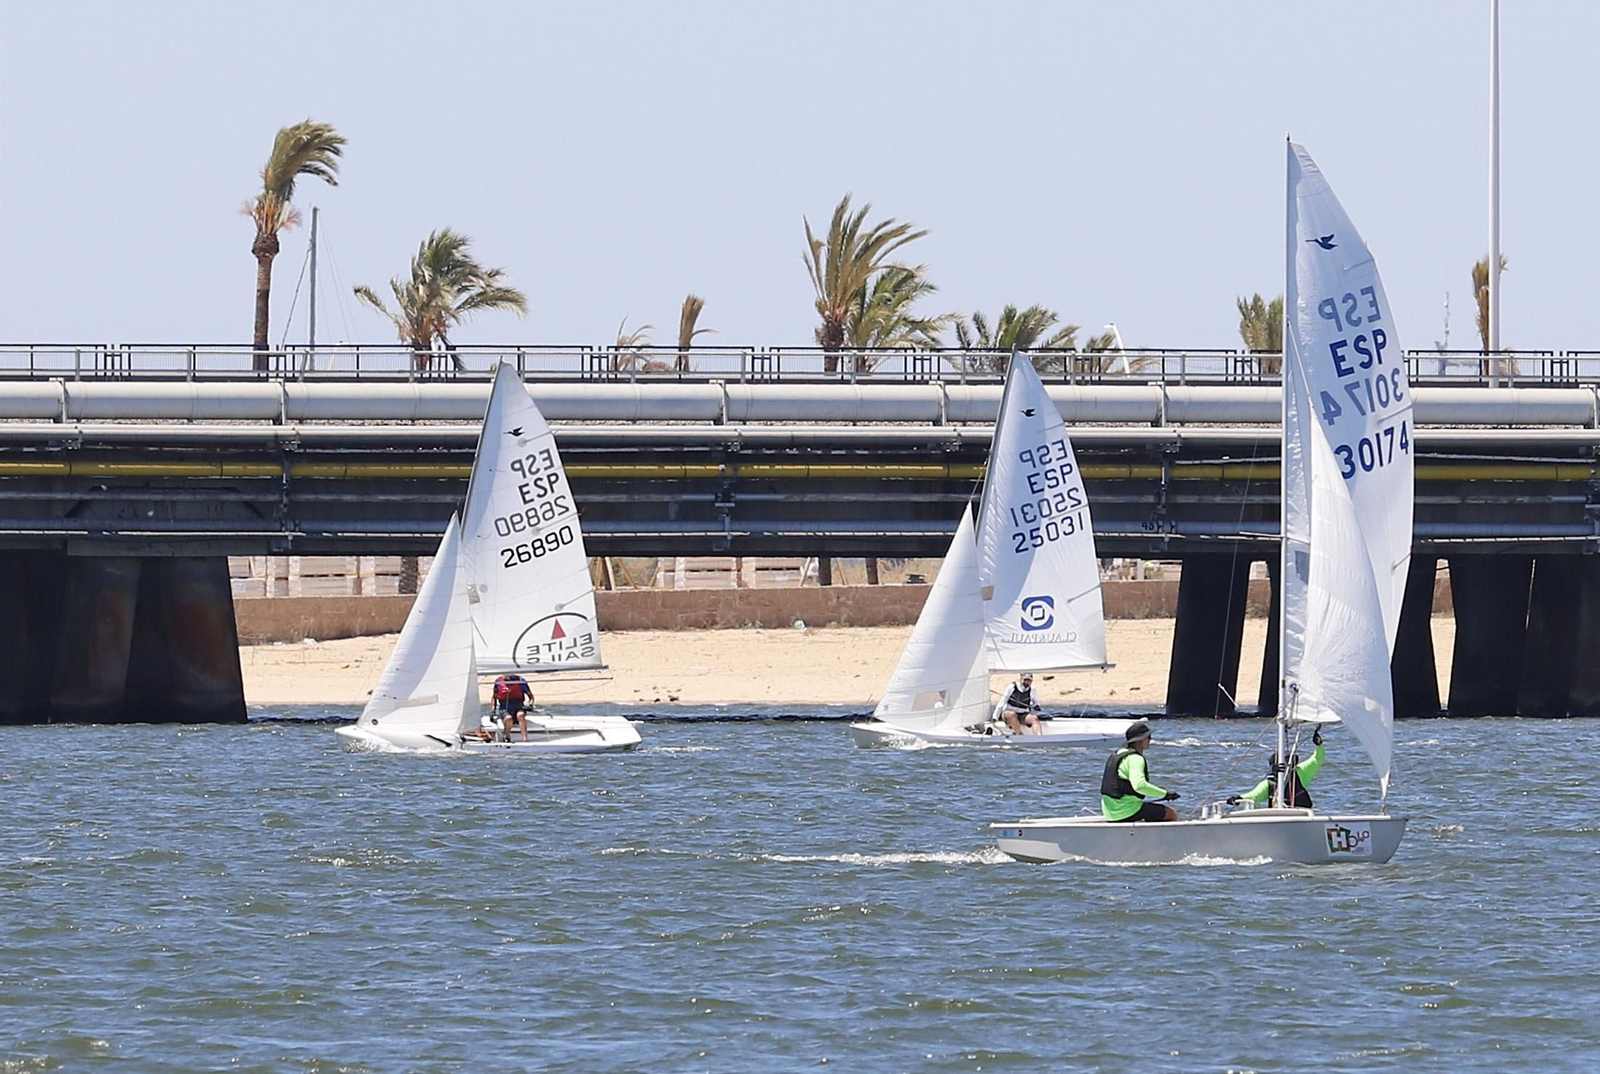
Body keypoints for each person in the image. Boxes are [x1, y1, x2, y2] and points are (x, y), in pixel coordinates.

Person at [1101, 721, 1179, 822]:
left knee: (1150, 809)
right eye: (1148, 737)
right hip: (1127, 811)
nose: (1150, 739)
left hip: (1109, 813)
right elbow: (1140, 786)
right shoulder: (1135, 759)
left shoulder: (1117, 754)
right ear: (1140, 740)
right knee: (1171, 813)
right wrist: (1165, 794)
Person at [1229, 727, 1324, 808]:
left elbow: (1317, 759)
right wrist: (1238, 799)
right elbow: (1254, 796)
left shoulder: (1300, 772)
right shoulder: (1269, 784)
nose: (1286, 766)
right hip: (1279, 817)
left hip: (1301, 816)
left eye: (1288, 763)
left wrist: (1319, 745)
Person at [493, 673, 533, 743]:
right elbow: (494, 698)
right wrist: (493, 711)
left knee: (520, 715)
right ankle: (507, 737)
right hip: (504, 708)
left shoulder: (520, 680)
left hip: (518, 706)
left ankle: (525, 739)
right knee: (508, 718)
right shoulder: (498, 681)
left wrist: (530, 705)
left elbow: (531, 697)